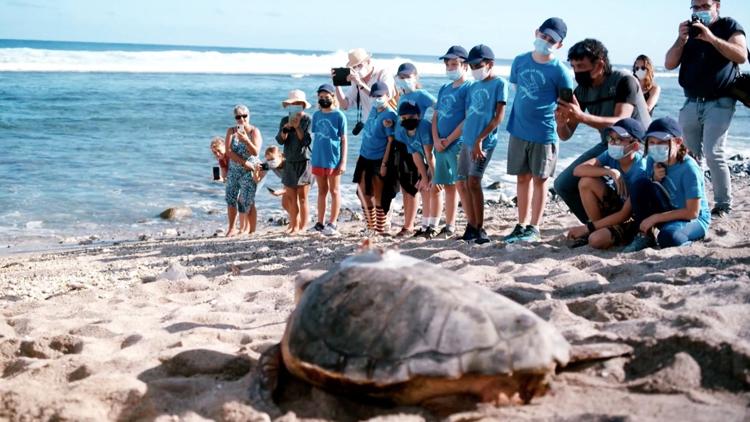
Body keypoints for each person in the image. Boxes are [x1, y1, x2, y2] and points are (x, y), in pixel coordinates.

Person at [554, 38, 652, 224]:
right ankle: (598, 224)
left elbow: (621, 121)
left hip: (638, 146)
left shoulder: (625, 81)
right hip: (611, 146)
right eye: (573, 66)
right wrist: (560, 123)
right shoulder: (582, 91)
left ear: (599, 64)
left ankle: (617, 223)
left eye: (581, 66)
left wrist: (582, 117)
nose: (577, 72)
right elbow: (566, 135)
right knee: (563, 185)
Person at [665, 0, 747, 218]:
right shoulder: (689, 33)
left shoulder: (729, 25)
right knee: (690, 157)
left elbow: (741, 55)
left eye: (705, 5)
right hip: (691, 101)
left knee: (714, 153)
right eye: (696, 7)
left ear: (717, 6)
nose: (700, 10)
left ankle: (723, 205)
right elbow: (669, 63)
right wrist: (680, 39)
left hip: (720, 101)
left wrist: (710, 38)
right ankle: (696, 203)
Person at [504, 17, 574, 244]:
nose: (545, 41)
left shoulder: (561, 72)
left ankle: (534, 226)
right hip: (518, 128)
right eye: (543, 36)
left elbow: (566, 105)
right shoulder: (520, 61)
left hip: (544, 132)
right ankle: (521, 224)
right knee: (522, 178)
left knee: (540, 180)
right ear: (536, 33)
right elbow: (516, 89)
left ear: (559, 45)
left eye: (551, 40)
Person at [623, 117, 711, 252]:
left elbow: (692, 212)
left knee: (668, 238)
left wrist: (655, 218)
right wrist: (655, 178)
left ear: (678, 142)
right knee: (639, 184)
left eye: (661, 142)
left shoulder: (689, 169)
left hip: (692, 219)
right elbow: (647, 192)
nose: (655, 146)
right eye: (651, 142)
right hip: (669, 209)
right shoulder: (653, 159)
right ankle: (645, 236)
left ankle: (682, 237)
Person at [566, 118, 648, 249]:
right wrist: (609, 172)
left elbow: (624, 214)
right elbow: (578, 170)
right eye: (611, 139)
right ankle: (596, 228)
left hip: (632, 217)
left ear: (635, 146)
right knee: (586, 181)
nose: (613, 143)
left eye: (619, 140)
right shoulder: (611, 155)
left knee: (596, 240)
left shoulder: (641, 170)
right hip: (618, 205)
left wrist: (587, 228)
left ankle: (596, 230)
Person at [459, 44, 509, 244]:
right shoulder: (473, 86)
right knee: (464, 181)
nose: (474, 69)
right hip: (467, 139)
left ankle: (480, 227)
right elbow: (469, 114)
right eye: (470, 65)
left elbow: (498, 118)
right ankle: (471, 225)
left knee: (474, 181)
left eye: (477, 65)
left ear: (490, 64)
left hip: (485, 141)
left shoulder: (499, 84)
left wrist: (480, 139)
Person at [391, 63, 437, 237]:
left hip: (418, 141)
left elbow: (439, 108)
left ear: (415, 77)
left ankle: (411, 225)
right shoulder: (402, 96)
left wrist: (433, 130)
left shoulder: (421, 94)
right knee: (405, 186)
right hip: (403, 142)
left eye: (407, 77)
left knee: (414, 186)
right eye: (401, 77)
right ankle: (408, 223)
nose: (404, 81)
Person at [432, 45, 472, 238]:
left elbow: (467, 118)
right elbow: (436, 116)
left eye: (454, 64)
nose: (450, 67)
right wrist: (436, 139)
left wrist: (448, 139)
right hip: (439, 144)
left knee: (460, 184)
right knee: (447, 185)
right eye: (447, 64)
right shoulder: (444, 88)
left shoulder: (468, 87)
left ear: (465, 66)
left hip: (457, 143)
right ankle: (449, 224)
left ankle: (471, 223)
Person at [352, 81, 397, 235]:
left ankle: (379, 228)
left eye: (380, 95)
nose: (376, 98)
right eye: (374, 95)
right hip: (364, 156)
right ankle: (370, 227)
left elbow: (391, 141)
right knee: (363, 193)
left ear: (387, 96)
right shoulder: (373, 109)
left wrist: (385, 163)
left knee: (379, 195)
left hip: (379, 158)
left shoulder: (390, 115)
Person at [395, 101, 439, 238]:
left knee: (435, 189)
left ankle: (434, 226)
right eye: (404, 118)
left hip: (439, 157)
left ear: (418, 116)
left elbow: (429, 154)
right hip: (426, 159)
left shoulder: (424, 127)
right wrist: (424, 178)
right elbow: (416, 156)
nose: (407, 120)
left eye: (411, 117)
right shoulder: (403, 132)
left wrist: (435, 176)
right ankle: (425, 226)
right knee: (424, 187)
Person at [311, 84, 348, 236]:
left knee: (334, 190)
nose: (323, 99)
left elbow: (344, 139)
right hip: (318, 158)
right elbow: (316, 136)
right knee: (321, 191)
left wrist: (343, 161)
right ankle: (320, 223)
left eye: (326, 97)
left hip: (334, 158)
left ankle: (332, 222)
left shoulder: (339, 115)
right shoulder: (316, 115)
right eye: (320, 97)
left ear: (333, 97)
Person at [276, 90, 313, 234]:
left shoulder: (307, 120)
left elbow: (305, 141)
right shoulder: (284, 120)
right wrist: (285, 130)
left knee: (303, 198)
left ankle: (302, 227)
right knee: (291, 198)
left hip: (304, 161)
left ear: (303, 106)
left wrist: (297, 126)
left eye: (298, 104)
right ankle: (293, 225)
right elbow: (280, 140)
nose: (296, 106)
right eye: (293, 104)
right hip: (289, 161)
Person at [224, 104, 262, 236]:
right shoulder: (231, 131)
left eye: (244, 116)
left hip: (250, 170)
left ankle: (251, 230)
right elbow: (228, 151)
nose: (242, 119)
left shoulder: (254, 131)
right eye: (238, 117)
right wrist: (243, 162)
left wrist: (246, 140)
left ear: (249, 116)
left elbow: (256, 152)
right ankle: (232, 228)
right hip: (235, 169)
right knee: (231, 198)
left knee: (246, 200)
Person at [333, 48, 395, 123]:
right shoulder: (356, 80)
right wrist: (337, 85)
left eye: (359, 65)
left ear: (368, 61)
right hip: (369, 126)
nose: (357, 69)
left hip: (387, 124)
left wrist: (360, 84)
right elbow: (345, 105)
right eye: (354, 67)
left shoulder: (383, 74)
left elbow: (383, 98)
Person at [252, 146, 297, 233]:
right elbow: (257, 180)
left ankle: (296, 226)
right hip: (288, 181)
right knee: (285, 204)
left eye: (272, 159)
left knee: (294, 201)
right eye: (268, 160)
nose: (270, 162)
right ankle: (293, 223)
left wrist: (282, 191)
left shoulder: (288, 163)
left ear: (280, 156)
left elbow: (295, 185)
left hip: (301, 179)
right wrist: (256, 171)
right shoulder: (268, 164)